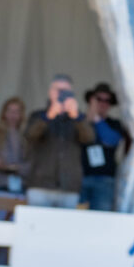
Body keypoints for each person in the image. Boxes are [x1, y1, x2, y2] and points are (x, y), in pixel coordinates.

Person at [25, 74, 95, 208]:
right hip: (40, 185)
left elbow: (89, 138)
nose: (62, 94)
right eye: (58, 90)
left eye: (66, 91)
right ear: (51, 92)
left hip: (68, 187)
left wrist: (76, 117)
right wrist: (49, 116)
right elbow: (30, 135)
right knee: (38, 226)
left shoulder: (78, 118)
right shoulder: (38, 115)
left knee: (65, 228)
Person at [80, 83, 131, 211]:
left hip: (104, 180)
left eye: (107, 100)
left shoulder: (114, 123)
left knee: (100, 220)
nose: (103, 103)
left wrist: (97, 118)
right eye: (98, 99)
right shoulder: (80, 121)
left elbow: (111, 140)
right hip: (79, 177)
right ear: (91, 100)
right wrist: (89, 117)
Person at [0, 97, 30, 193]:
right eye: (10, 111)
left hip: (20, 185)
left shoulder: (26, 137)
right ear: (4, 113)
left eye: (16, 112)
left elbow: (32, 164)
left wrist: (16, 168)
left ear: (21, 114)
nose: (13, 115)